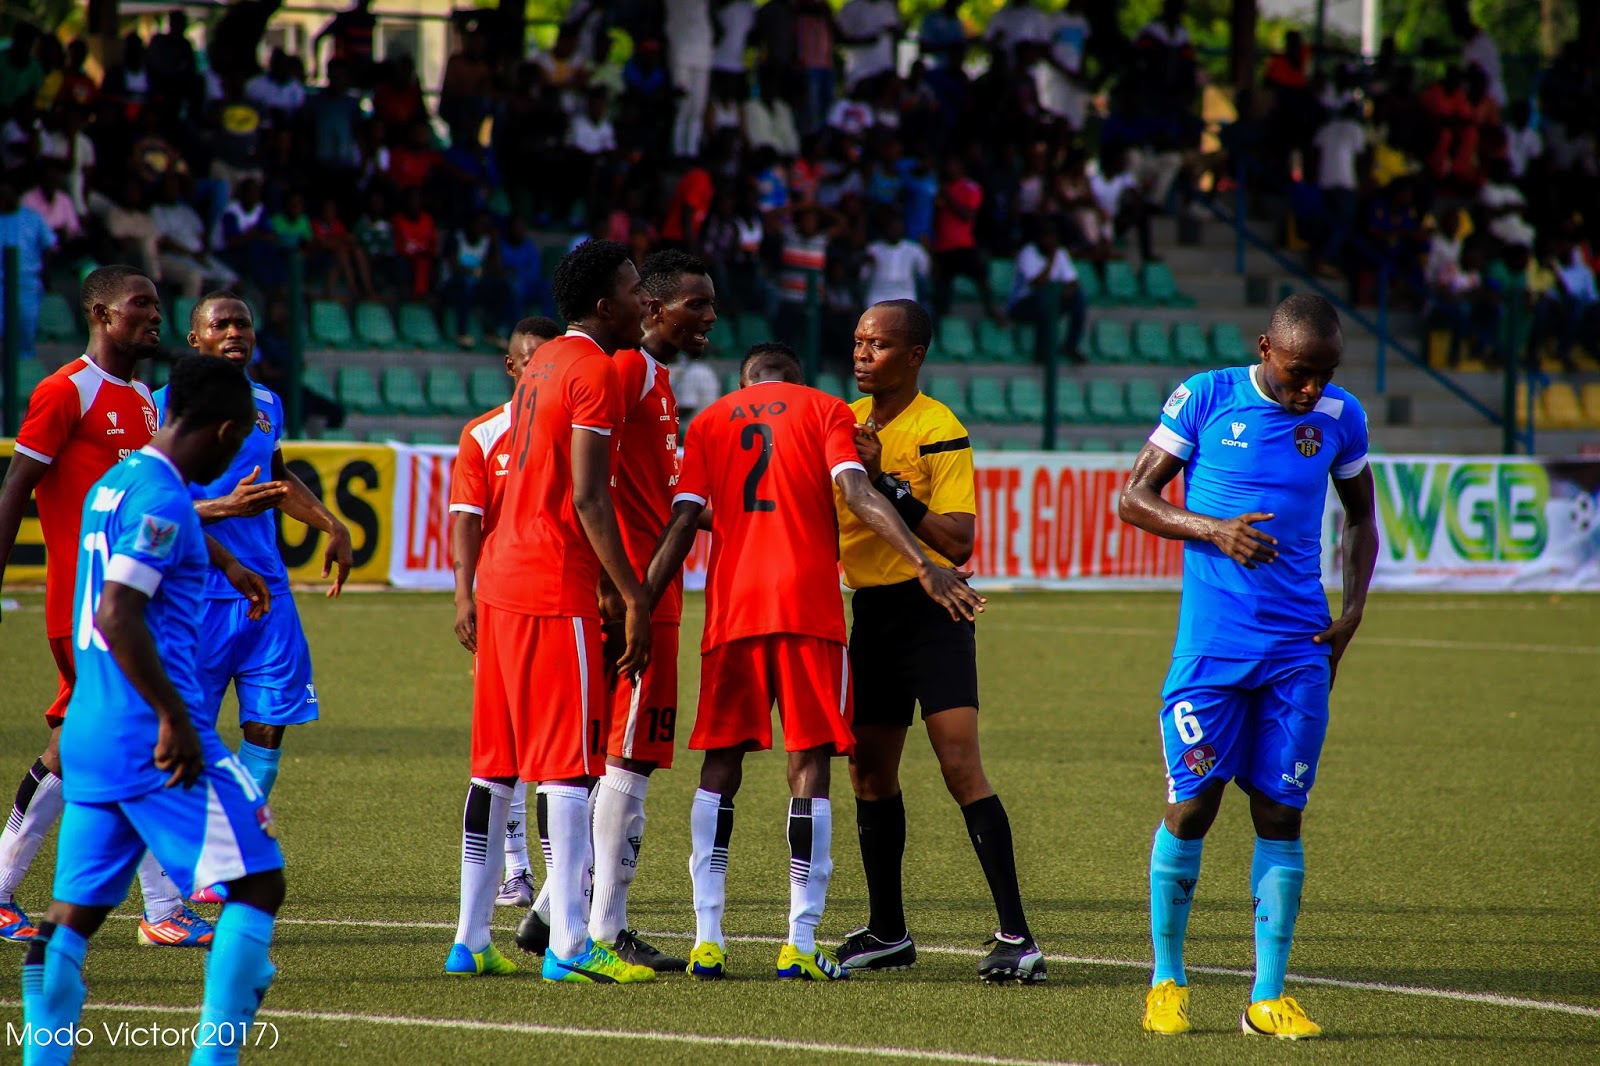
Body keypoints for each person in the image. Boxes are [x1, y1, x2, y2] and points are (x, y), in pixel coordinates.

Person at [643, 340, 985, 981]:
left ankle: (707, 941)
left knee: (719, 764)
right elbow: (857, 492)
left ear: (745, 381)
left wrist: (640, 603)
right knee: (809, 764)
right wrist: (924, 565)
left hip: (734, 611)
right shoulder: (827, 410)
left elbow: (684, 519)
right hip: (807, 610)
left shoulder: (712, 419)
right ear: (796, 380)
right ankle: (799, 943)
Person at [1118, 293, 1378, 1039]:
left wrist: (1353, 610)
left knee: (1282, 812)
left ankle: (1267, 997)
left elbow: (1361, 516)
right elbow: (1134, 498)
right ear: (1266, 349)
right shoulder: (1206, 398)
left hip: (1299, 649)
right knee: (1193, 806)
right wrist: (1213, 530)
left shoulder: (1342, 417)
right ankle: (1167, 982)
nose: (1312, 389)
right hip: (1214, 649)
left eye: (1325, 374)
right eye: (1300, 373)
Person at [20, 355, 287, 1066]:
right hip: (149, 730)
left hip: (91, 729)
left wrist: (223, 562)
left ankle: (44, 1055)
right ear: (224, 431)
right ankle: (215, 1057)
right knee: (259, 879)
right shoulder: (163, 499)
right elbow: (118, 610)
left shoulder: (116, 482)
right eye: (239, 441)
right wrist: (172, 715)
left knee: (71, 918)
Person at [0, 267, 267, 950]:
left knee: (82, 747)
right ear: (100, 313)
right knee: (131, 737)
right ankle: (159, 906)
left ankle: (35, 894)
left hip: (129, 602)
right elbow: (15, 489)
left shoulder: (146, 401)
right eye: (139, 305)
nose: (154, 315)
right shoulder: (66, 390)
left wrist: (226, 561)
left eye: (156, 304)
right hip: (89, 606)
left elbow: (156, 503)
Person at [827, 300, 1043, 982]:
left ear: (914, 355)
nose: (862, 354)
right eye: (858, 342)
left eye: (879, 345)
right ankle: (888, 931)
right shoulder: (840, 424)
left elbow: (958, 539)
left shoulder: (938, 427)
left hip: (933, 610)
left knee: (959, 766)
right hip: (871, 615)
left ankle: (1018, 936)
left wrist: (885, 483)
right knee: (868, 773)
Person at [462, 239, 656, 984]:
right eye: (635, 290)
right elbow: (589, 495)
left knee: (497, 767)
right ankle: (571, 943)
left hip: (501, 579)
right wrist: (632, 593)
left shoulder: (542, 361)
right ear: (605, 305)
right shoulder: (595, 370)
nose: (645, 301)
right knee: (569, 767)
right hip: (551, 582)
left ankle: (470, 938)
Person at [151, 293, 352, 882]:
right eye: (222, 324)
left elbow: (278, 479)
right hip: (195, 597)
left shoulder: (266, 403)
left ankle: (227, 847)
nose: (235, 331)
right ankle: (175, 869)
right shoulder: (159, 408)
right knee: (187, 733)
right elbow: (154, 505)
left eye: (243, 322)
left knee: (268, 724)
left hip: (267, 594)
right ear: (196, 339)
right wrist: (224, 508)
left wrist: (332, 525)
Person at [446, 317, 561, 962]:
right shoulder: (484, 433)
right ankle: (547, 913)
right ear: (513, 367)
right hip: (512, 606)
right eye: (531, 360)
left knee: (525, 760)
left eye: (552, 359)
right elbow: (466, 520)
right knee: (519, 757)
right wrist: (463, 596)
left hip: (550, 600)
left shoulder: (569, 424)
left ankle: (497, 921)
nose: (542, 370)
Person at [1007, 223, 1087, 362]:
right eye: (1047, 238)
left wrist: (1066, 290)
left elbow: (1073, 281)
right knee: (1043, 299)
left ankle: (1071, 345)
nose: (1050, 242)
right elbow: (1038, 283)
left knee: (1079, 297)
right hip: (1022, 304)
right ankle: (1041, 352)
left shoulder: (1060, 252)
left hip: (1051, 300)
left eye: (1053, 238)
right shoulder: (1028, 253)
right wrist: (1051, 261)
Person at [0, 181, 56, 364]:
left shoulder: (33, 218)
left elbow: (50, 246)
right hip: (1, 283)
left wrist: (46, 276)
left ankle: (25, 368)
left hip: (26, 282)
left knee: (25, 327)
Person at [862, 212, 931, 307]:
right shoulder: (873, 249)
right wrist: (868, 263)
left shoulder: (914, 249)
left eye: (898, 227)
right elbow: (863, 277)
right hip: (878, 296)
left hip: (905, 295)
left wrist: (926, 252)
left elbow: (924, 272)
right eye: (891, 227)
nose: (895, 230)